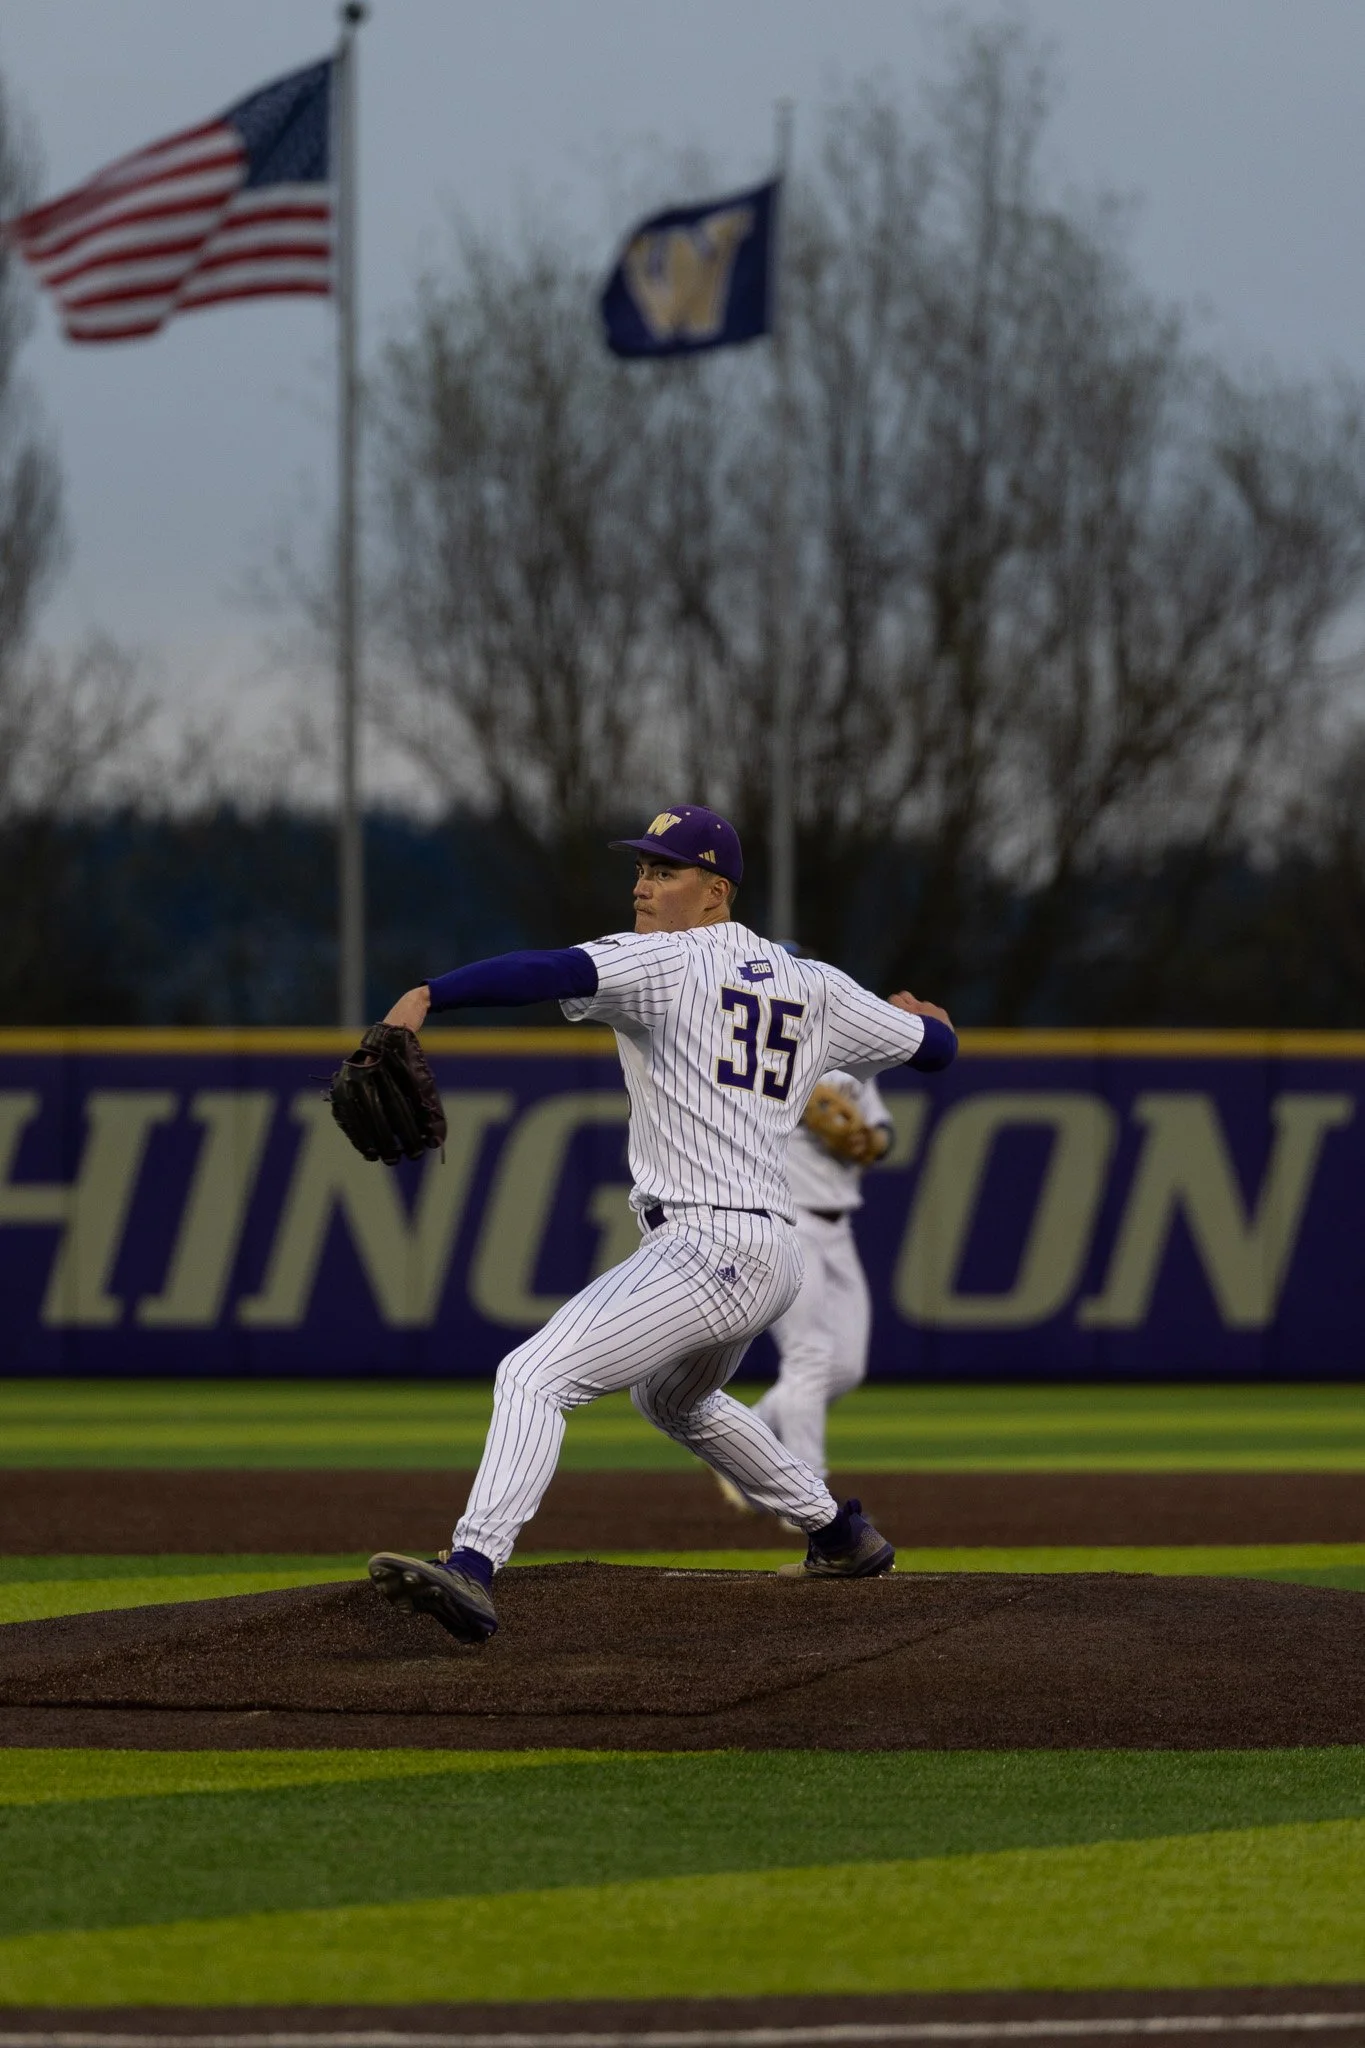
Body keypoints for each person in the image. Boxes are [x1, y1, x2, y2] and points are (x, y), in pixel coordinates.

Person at [367, 805, 957, 1642]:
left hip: (707, 1244)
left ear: (714, 892)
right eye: (640, 869)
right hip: (770, 1252)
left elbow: (545, 970)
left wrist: (429, 995)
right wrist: (934, 1023)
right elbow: (934, 1053)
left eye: (664, 871)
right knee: (676, 1400)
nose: (641, 886)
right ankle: (839, 1535)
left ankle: (471, 1565)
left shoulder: (664, 964)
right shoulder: (815, 984)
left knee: (534, 1375)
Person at [717, 1062, 892, 1502]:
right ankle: (809, 1497)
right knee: (809, 1357)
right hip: (785, 1223)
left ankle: (741, 1440)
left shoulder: (855, 1057)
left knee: (847, 1368)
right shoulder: (761, 1054)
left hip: (839, 1227)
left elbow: (882, 1133)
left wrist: (869, 1140)